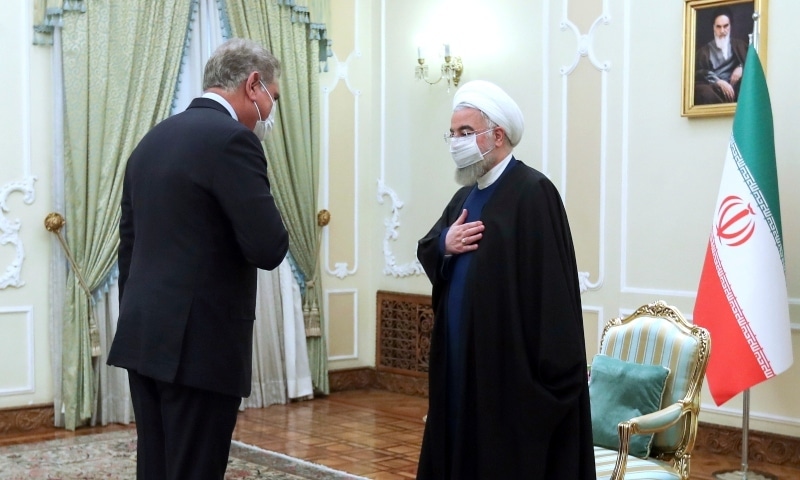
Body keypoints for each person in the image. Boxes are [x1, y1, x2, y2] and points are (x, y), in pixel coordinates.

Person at [107, 38, 289, 480]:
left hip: (144, 336)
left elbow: (129, 246)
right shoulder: (233, 141)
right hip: (200, 347)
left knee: (157, 466)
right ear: (253, 85)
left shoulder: (152, 140)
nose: (271, 111)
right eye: (273, 97)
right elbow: (269, 247)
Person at [416, 80, 595, 479]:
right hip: (461, 360)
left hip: (509, 370)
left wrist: (548, 376)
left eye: (466, 133)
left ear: (497, 135)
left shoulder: (533, 192)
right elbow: (430, 245)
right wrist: (446, 242)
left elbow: (552, 293)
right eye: (453, 133)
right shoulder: (465, 197)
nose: (456, 142)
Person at [695, 7, 749, 105]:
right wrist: (718, 81)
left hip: (736, 87)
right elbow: (699, 73)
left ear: (730, 26)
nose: (722, 30)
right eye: (718, 27)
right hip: (714, 88)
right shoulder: (704, 51)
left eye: (725, 26)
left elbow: (751, 63)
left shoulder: (740, 45)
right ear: (713, 28)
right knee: (703, 92)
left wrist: (741, 68)